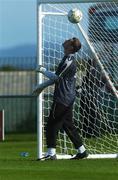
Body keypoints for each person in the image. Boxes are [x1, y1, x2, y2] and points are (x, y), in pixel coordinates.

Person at [33, 37, 88, 160]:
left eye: (69, 40)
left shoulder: (68, 60)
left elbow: (56, 78)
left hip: (63, 98)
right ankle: (82, 151)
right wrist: (41, 87)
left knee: (52, 124)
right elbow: (59, 78)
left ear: (71, 47)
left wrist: (43, 70)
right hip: (68, 97)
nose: (66, 40)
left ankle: (51, 153)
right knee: (68, 125)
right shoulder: (67, 59)